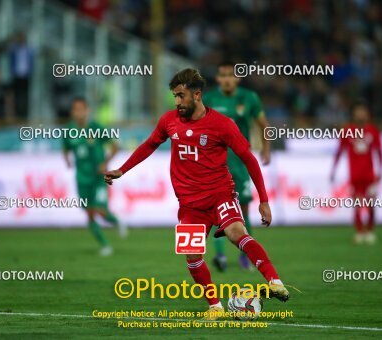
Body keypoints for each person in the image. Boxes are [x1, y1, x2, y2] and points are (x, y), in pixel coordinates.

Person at [104, 69, 289, 320]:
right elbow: (149, 145)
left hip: (220, 195)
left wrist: (264, 200)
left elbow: (249, 160)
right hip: (190, 205)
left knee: (237, 233)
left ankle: (274, 281)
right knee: (192, 255)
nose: (177, 102)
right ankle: (215, 306)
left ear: (198, 94)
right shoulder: (169, 121)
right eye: (175, 97)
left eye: (181, 96)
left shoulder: (223, 125)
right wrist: (122, 170)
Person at [203, 62, 271, 271]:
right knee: (214, 207)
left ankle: (245, 255)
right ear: (217, 79)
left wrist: (266, 148)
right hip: (215, 161)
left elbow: (263, 125)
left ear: (238, 78)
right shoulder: (209, 99)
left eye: (230, 75)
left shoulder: (249, 98)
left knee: (243, 209)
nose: (226, 79)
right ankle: (221, 255)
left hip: (240, 161)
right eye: (222, 75)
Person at [63, 97, 126, 256]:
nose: (79, 113)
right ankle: (105, 245)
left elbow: (115, 146)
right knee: (90, 213)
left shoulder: (95, 127)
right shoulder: (69, 130)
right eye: (75, 109)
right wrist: (67, 160)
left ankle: (117, 222)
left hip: (98, 178)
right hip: (81, 178)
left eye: (81, 109)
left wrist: (105, 163)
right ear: (72, 112)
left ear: (87, 110)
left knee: (101, 211)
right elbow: (65, 147)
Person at [330, 101, 382, 244]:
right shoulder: (347, 130)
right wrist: (333, 170)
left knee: (371, 204)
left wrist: (381, 171)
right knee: (357, 204)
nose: (360, 114)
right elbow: (339, 151)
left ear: (367, 113)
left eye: (363, 111)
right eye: (358, 111)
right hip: (355, 175)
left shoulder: (373, 131)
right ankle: (360, 232)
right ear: (354, 113)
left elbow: (379, 152)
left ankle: (370, 231)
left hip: (370, 175)